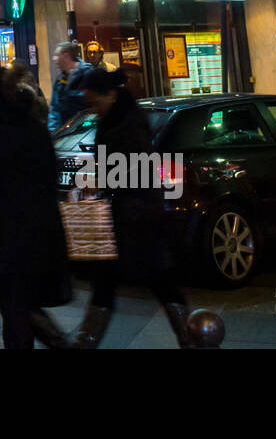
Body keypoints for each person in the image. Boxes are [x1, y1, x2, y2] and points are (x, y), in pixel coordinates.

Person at [74, 67, 192, 348]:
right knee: (108, 279)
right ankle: (86, 341)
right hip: (123, 213)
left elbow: (137, 169)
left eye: (94, 102)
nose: (92, 109)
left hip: (140, 216)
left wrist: (101, 178)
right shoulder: (112, 120)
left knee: (158, 278)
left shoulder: (130, 123)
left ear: (111, 95)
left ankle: (190, 336)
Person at [0, 66, 72, 349]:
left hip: (7, 236)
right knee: (22, 308)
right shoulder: (35, 128)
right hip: (39, 231)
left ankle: (60, 344)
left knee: (14, 311)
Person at [49, 42, 91, 132]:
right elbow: (55, 109)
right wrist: (53, 132)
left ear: (66, 55)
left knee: (101, 146)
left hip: (88, 132)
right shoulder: (59, 80)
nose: (54, 59)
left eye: (56, 55)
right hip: (67, 135)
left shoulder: (88, 74)